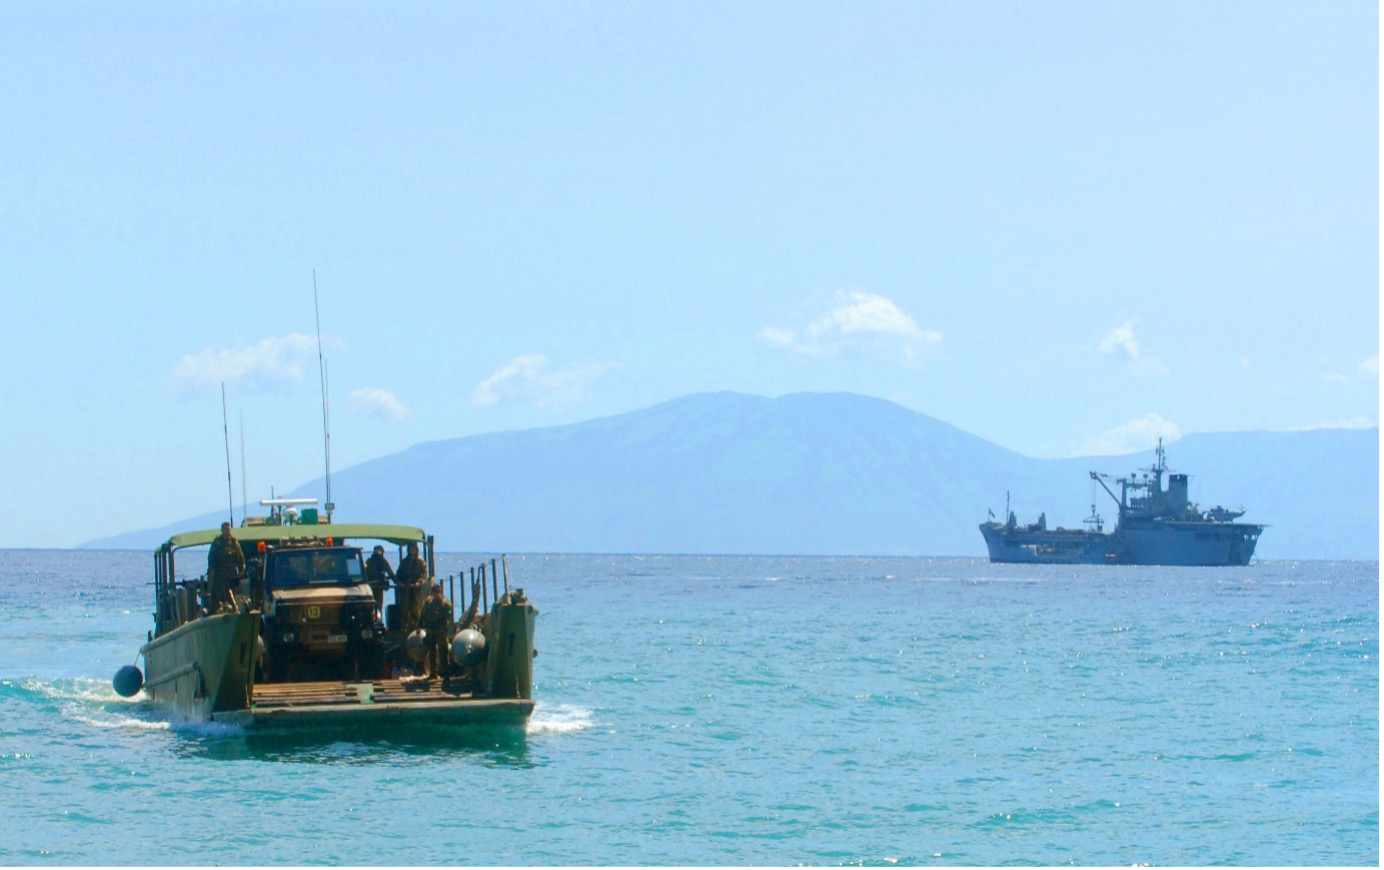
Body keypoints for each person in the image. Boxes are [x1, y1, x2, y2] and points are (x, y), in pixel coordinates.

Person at [206, 522, 245, 613]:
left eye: (228, 529)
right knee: (216, 593)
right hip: (220, 572)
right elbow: (211, 557)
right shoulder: (217, 542)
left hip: (231, 572)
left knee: (232, 592)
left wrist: (241, 569)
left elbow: (240, 556)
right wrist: (211, 569)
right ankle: (212, 611)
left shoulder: (234, 542)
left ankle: (234, 609)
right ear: (222, 530)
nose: (227, 531)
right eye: (225, 529)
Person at [418, 583, 453, 679]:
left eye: (438, 592)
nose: (436, 594)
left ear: (441, 592)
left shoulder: (446, 604)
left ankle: (445, 672)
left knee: (443, 653)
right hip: (430, 630)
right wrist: (419, 626)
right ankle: (433, 673)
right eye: (435, 592)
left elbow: (448, 617)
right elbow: (422, 614)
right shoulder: (428, 603)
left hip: (441, 631)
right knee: (432, 653)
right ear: (432, 593)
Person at [395, 541, 429, 632]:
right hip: (405, 588)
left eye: (414, 548)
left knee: (415, 608)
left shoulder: (421, 561)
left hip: (416, 589)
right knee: (404, 608)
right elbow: (398, 574)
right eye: (411, 548)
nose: (412, 550)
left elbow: (425, 574)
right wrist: (400, 583)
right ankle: (404, 626)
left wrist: (420, 582)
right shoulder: (405, 562)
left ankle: (415, 627)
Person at [364, 545, 396, 612]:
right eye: (376, 551)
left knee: (378, 607)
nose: (377, 553)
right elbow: (364, 574)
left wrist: (398, 582)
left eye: (379, 551)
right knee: (371, 606)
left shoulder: (382, 561)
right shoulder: (369, 561)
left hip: (379, 587)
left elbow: (390, 573)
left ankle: (378, 619)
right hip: (371, 587)